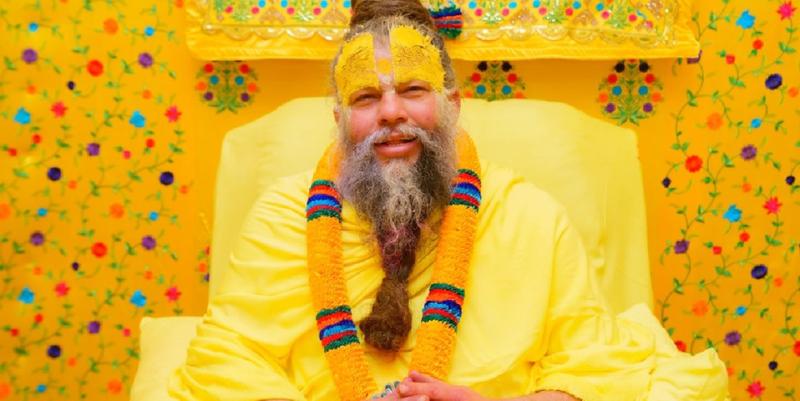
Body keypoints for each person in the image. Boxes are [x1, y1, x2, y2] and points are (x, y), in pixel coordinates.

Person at [168, 0, 729, 400]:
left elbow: (592, 365)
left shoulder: (526, 215)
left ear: (453, 105)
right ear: (338, 119)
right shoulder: (283, 217)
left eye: (413, 90)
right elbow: (224, 359)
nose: (391, 113)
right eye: (367, 97)